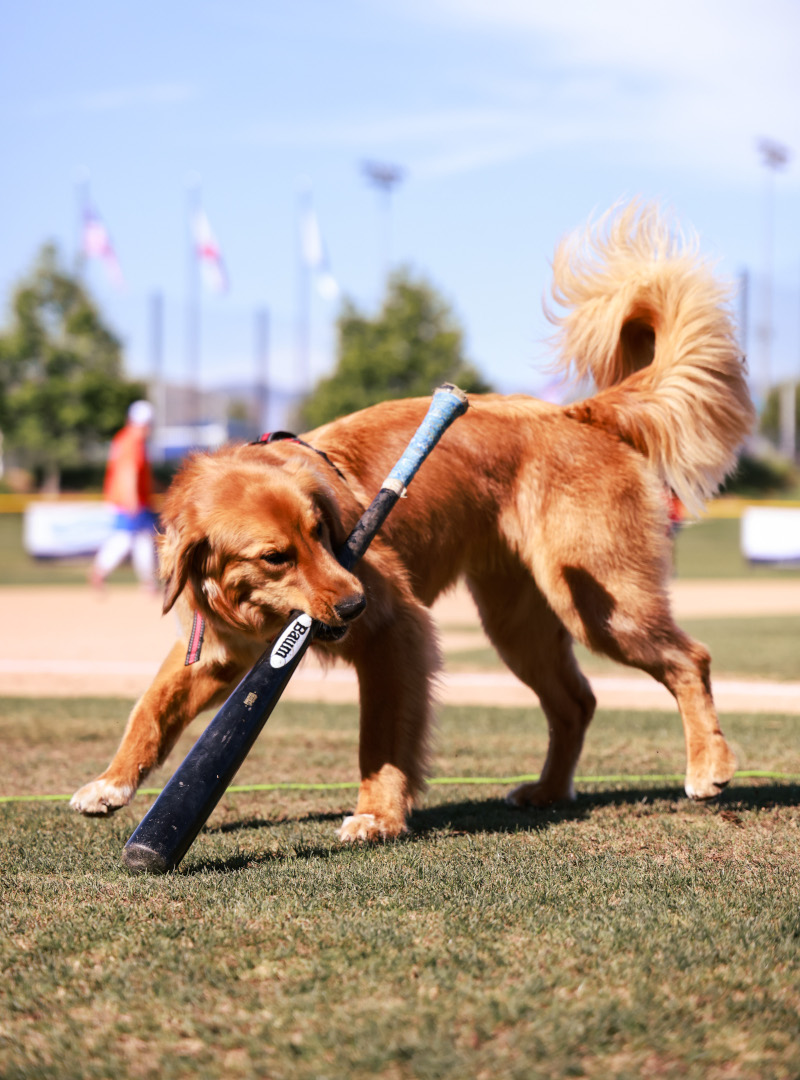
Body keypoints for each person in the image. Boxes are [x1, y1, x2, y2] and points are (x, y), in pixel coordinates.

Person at [90, 399, 158, 590]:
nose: (146, 428)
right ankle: (99, 572)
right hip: (128, 500)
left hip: (132, 499)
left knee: (142, 539)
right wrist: (132, 500)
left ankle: (148, 581)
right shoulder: (132, 442)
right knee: (124, 539)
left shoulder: (125, 438)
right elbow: (127, 472)